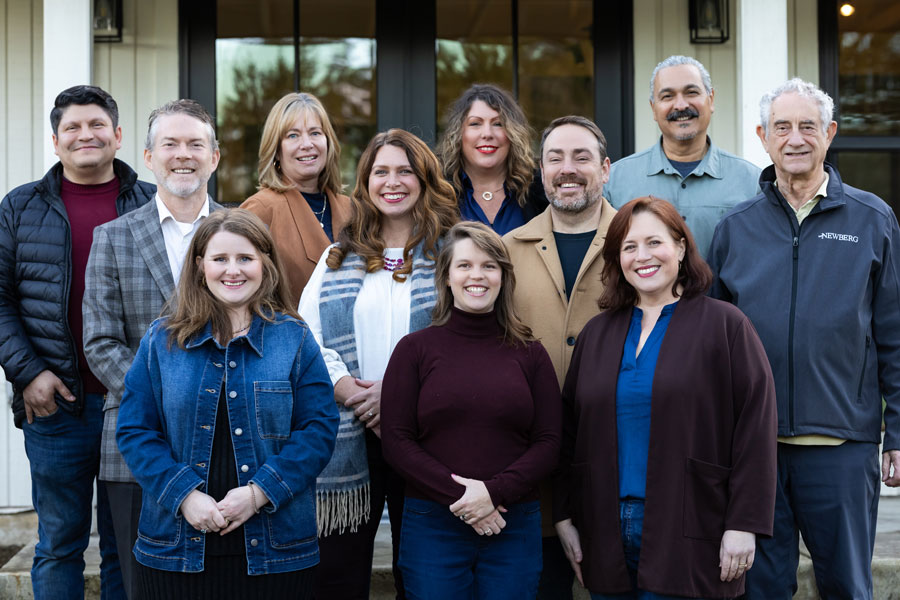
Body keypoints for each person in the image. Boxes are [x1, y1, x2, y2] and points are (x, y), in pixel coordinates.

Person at [708, 78, 900, 600]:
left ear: (830, 134)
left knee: (847, 587)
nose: (795, 138)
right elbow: (714, 346)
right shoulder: (735, 227)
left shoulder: (872, 219)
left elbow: (893, 333)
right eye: (782, 127)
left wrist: (898, 431)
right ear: (763, 137)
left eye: (808, 126)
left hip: (841, 446)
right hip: (755, 450)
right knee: (762, 590)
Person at [555, 196, 777, 599]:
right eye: (629, 247)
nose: (643, 256)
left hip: (692, 525)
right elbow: (569, 432)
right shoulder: (597, 333)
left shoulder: (725, 326)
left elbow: (755, 429)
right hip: (603, 529)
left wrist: (744, 523)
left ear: (680, 246)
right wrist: (564, 516)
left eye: (654, 242)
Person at [115, 209, 339, 599]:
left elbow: (318, 429)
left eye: (245, 258)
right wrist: (183, 495)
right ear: (200, 265)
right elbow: (135, 431)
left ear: (265, 264)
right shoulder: (162, 340)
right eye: (220, 259)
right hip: (175, 546)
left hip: (276, 549)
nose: (232, 270)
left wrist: (259, 493)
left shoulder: (295, 339)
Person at [0, 84, 155, 600]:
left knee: (126, 545)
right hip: (55, 405)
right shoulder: (20, 207)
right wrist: (28, 373)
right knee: (59, 543)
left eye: (96, 125)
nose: (84, 135)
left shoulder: (151, 204)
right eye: (72, 127)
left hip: (132, 404)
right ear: (55, 139)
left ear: (118, 135)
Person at [298, 128, 458, 599]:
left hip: (430, 435)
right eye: (381, 171)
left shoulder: (453, 252)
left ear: (425, 179)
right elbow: (306, 338)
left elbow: (464, 340)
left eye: (405, 171)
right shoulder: (336, 257)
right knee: (339, 576)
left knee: (424, 574)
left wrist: (398, 397)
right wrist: (349, 389)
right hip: (348, 435)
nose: (393, 181)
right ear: (365, 182)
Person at [83, 99, 223, 599]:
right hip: (136, 446)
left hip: (230, 437)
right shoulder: (113, 238)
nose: (182, 155)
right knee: (144, 585)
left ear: (215, 157)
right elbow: (99, 342)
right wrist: (167, 396)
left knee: (220, 583)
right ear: (148, 156)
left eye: (195, 144)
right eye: (170, 144)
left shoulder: (242, 233)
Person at [380, 221, 561, 599]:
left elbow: (548, 442)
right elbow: (397, 442)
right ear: (446, 276)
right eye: (464, 265)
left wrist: (493, 494)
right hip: (433, 524)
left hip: (512, 522)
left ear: (502, 276)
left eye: (488, 265)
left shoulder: (531, 354)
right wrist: (466, 500)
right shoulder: (415, 350)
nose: (476, 275)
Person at [502, 115, 617, 600]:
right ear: (541, 170)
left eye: (581, 157)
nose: (567, 169)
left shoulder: (636, 246)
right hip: (532, 475)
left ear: (606, 169)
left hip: (616, 465)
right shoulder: (508, 251)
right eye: (555, 158)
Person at [604, 55, 759, 256]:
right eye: (667, 96)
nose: (680, 105)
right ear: (653, 108)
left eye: (691, 92)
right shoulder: (615, 181)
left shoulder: (752, 182)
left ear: (710, 100)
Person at [241, 92, 352, 306]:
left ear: (328, 142)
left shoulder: (351, 209)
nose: (307, 144)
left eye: (315, 133)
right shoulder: (260, 210)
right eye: (293, 135)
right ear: (276, 150)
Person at [437, 83, 547, 235]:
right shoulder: (436, 192)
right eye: (475, 124)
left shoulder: (541, 190)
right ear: (458, 134)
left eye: (498, 124)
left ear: (513, 134)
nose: (487, 133)